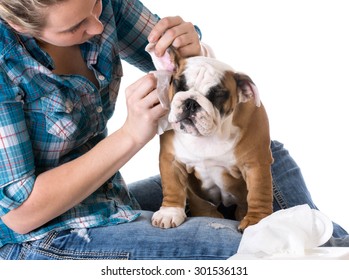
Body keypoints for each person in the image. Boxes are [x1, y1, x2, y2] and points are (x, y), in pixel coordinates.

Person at [0, 0, 347, 260]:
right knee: (248, 246)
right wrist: (132, 135)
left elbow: (179, 61)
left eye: (95, 5)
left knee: (271, 158)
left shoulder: (99, 7)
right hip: (45, 233)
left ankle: (338, 251)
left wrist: (189, 47)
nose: (97, 26)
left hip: (109, 196)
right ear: (17, 23)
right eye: (75, 27)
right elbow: (20, 214)